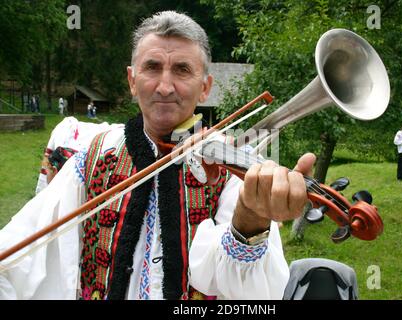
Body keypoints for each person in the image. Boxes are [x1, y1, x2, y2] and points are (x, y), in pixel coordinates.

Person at [0, 11, 315, 300]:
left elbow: (253, 295)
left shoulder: (232, 164)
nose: (165, 87)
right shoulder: (95, 155)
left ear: (205, 87)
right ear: (132, 81)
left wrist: (250, 220)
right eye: (152, 67)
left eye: (181, 70)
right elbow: (19, 251)